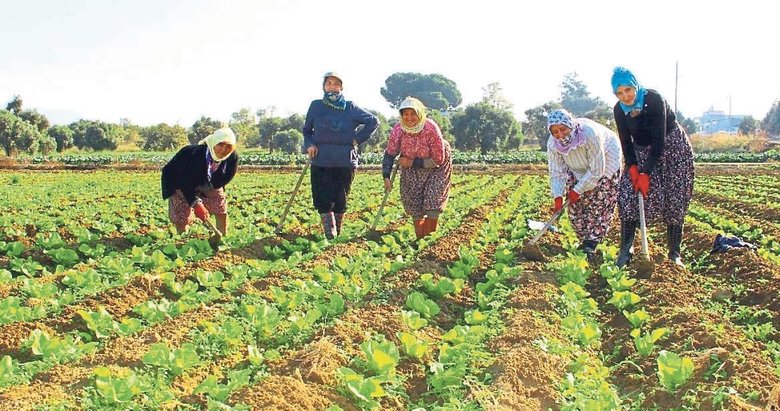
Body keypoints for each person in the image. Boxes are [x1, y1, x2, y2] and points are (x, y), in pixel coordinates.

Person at [611, 66, 695, 268]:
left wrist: (646, 174)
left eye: (628, 90)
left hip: (672, 149)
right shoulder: (619, 110)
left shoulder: (654, 100)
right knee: (628, 195)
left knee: (675, 196)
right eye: (619, 93)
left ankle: (674, 254)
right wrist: (633, 169)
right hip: (640, 151)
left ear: (635, 86)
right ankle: (625, 251)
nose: (625, 96)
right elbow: (626, 142)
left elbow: (659, 142)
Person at [303, 71, 379, 239]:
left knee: (340, 198)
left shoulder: (350, 107)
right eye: (329, 83)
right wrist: (310, 144)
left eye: (336, 84)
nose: (332, 87)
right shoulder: (316, 106)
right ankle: (330, 235)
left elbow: (373, 121)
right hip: (321, 159)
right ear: (323, 86)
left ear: (341, 87)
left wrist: (357, 139)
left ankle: (336, 236)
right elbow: (307, 130)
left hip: (344, 160)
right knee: (322, 198)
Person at [546, 108, 623, 260]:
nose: (560, 135)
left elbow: (596, 171)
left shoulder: (589, 134)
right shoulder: (553, 144)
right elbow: (557, 172)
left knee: (600, 199)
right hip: (576, 166)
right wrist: (558, 196)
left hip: (606, 159)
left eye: (563, 129)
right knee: (574, 205)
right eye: (555, 132)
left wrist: (579, 190)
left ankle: (592, 242)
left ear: (570, 124)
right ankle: (584, 240)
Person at [382, 96, 452, 239]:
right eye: (406, 114)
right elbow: (390, 154)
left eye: (413, 113)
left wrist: (411, 163)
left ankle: (429, 238)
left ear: (420, 114)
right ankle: (420, 238)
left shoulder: (430, 127)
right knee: (412, 199)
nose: (409, 118)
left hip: (436, 166)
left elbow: (438, 159)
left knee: (433, 199)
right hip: (410, 164)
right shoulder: (398, 129)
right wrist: (386, 177)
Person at [161, 127, 238, 237]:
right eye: (220, 145)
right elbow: (186, 183)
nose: (223, 150)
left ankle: (222, 235)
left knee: (219, 201)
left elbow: (225, 178)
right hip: (178, 180)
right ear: (214, 143)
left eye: (228, 147)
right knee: (181, 211)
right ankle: (183, 237)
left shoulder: (232, 156)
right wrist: (196, 203)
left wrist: (207, 188)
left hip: (208, 181)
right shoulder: (195, 154)